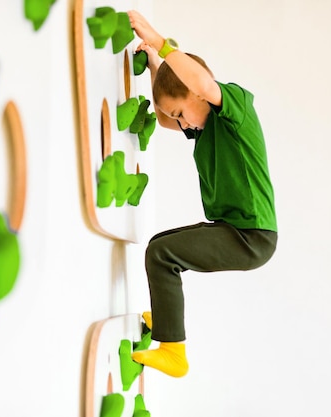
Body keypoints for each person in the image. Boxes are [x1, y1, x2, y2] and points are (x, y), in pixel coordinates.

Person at [127, 10, 278, 378]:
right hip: (235, 228)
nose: (182, 124)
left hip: (252, 236)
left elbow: (201, 81)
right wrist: (155, 67)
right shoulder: (202, 126)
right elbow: (164, 116)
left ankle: (174, 352)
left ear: (197, 91)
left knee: (161, 255)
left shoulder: (232, 108)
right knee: (161, 244)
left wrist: (162, 42)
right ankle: (165, 318)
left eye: (182, 113)